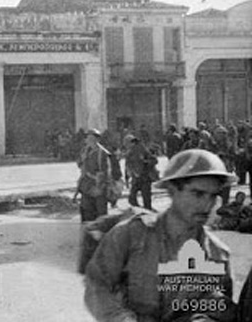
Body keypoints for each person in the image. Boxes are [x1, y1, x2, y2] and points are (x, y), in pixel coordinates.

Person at [84, 149, 238, 322]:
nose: (207, 204)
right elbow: (97, 285)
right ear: (172, 190)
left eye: (213, 196)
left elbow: (222, 309)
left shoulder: (218, 254)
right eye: (198, 194)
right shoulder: (130, 235)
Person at [74, 129, 110, 221]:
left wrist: (99, 186)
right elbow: (79, 164)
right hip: (86, 186)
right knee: (86, 213)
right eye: (88, 138)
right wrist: (82, 160)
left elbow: (105, 172)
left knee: (101, 215)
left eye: (92, 138)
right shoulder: (85, 151)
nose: (89, 141)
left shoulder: (102, 153)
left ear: (97, 140)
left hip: (98, 187)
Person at [125, 136, 158, 211]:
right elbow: (128, 165)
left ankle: (147, 213)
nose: (126, 145)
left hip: (144, 177)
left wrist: (145, 162)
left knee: (145, 198)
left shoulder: (141, 149)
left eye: (127, 142)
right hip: (136, 178)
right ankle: (141, 210)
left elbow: (153, 160)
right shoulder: (130, 151)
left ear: (132, 142)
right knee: (133, 198)